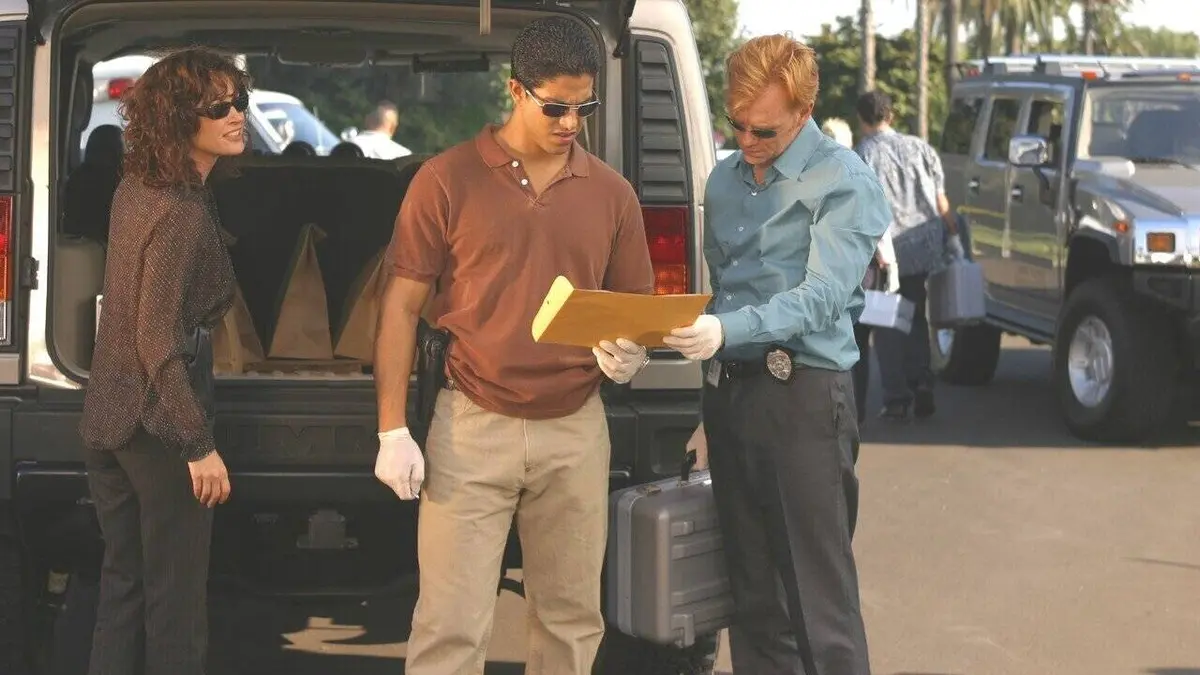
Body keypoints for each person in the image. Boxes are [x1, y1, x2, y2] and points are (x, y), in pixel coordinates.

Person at [371, 16, 654, 675]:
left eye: (584, 107)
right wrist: (391, 430)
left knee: (570, 624)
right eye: (556, 107)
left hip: (576, 429)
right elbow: (399, 306)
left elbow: (634, 309)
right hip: (470, 425)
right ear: (516, 90)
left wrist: (632, 351)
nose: (571, 123)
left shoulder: (613, 195)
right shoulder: (446, 179)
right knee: (449, 627)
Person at [666, 34, 890, 675]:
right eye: (736, 124)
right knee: (753, 599)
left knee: (819, 605)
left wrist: (725, 331)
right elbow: (722, 288)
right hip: (731, 396)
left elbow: (820, 298)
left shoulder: (845, 181)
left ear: (804, 110)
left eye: (763, 130)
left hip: (803, 398)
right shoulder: (724, 180)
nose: (747, 141)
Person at [77, 47, 248, 675]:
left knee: (123, 591)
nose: (236, 115)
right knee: (176, 606)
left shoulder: (136, 189)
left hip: (109, 419)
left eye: (239, 100)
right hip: (159, 425)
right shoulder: (179, 210)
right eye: (218, 107)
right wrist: (197, 444)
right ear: (179, 118)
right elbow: (156, 338)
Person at [854, 90, 963, 421]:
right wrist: (954, 236)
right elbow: (941, 202)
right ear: (891, 115)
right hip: (923, 248)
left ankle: (897, 398)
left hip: (885, 251)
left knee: (887, 322)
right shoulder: (921, 148)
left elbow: (861, 208)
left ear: (861, 120)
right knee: (915, 316)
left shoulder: (862, 155)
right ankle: (922, 381)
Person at [819, 116, 900, 421]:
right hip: (858, 273)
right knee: (858, 344)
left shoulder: (809, 175)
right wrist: (888, 264)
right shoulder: (859, 175)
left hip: (823, 274)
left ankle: (835, 410)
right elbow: (879, 225)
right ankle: (855, 411)